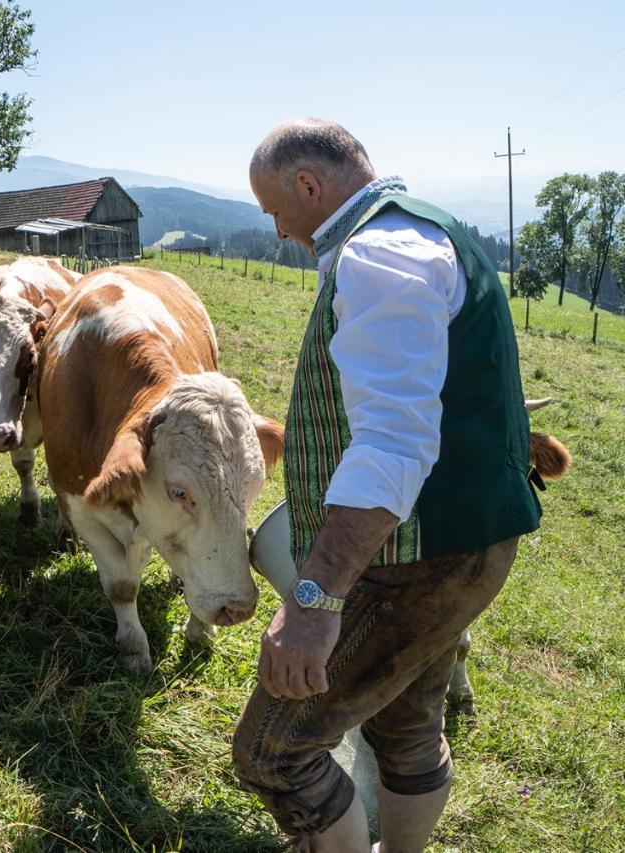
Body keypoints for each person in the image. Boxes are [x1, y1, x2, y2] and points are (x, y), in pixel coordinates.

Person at [232, 118, 543, 852]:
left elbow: (393, 441)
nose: (278, 232)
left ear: (309, 186)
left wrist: (313, 599)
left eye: (276, 212)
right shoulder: (421, 234)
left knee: (273, 750)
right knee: (406, 725)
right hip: (463, 544)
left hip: (411, 558)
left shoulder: (379, 255)